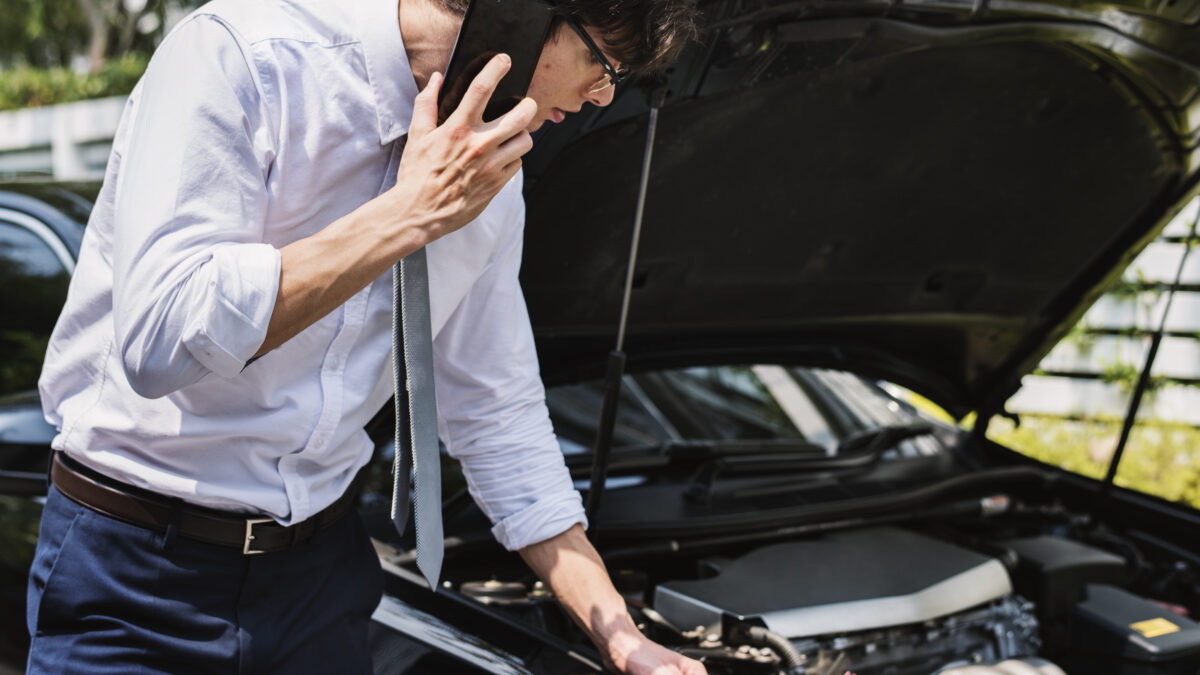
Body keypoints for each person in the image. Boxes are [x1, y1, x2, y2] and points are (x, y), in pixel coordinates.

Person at [26, 0, 704, 672]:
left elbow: (498, 415)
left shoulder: (490, 172)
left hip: (322, 581)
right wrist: (406, 215)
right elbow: (161, 339)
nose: (601, 95)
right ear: (517, 12)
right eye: (599, 60)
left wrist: (620, 635)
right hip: (133, 573)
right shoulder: (241, 55)